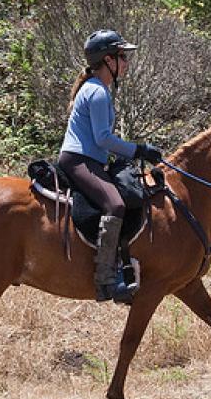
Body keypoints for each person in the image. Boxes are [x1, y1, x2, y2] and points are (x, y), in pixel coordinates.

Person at [58, 29, 162, 303]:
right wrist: (138, 149)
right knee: (115, 205)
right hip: (79, 160)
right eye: (122, 56)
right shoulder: (98, 92)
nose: (126, 62)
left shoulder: (96, 88)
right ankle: (107, 280)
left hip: (88, 159)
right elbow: (102, 137)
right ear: (107, 61)